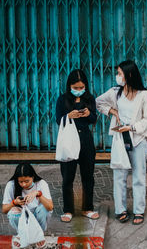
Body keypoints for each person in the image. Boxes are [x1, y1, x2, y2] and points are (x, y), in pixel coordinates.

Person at [96, 60, 147, 225]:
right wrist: (112, 111)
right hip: (120, 140)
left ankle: (139, 211)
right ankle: (120, 210)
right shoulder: (115, 93)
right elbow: (98, 102)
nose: (117, 76)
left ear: (129, 74)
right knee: (119, 176)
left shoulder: (144, 95)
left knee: (138, 176)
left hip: (138, 139)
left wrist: (132, 127)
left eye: (120, 73)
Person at [56, 69, 99, 222]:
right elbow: (58, 119)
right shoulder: (62, 99)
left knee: (88, 176)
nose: (79, 90)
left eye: (81, 87)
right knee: (68, 177)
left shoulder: (89, 99)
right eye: (76, 87)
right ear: (70, 86)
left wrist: (89, 114)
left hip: (86, 140)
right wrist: (68, 116)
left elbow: (94, 119)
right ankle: (68, 210)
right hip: (69, 140)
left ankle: (87, 208)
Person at [2, 163, 53, 248]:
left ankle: (38, 235)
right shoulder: (11, 185)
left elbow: (50, 207)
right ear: (17, 180)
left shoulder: (41, 183)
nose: (24, 184)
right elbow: (4, 210)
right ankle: (22, 233)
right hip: (22, 217)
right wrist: (14, 203)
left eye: (27, 181)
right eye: (20, 182)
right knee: (13, 211)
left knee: (43, 208)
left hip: (37, 215)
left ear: (32, 177)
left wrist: (38, 194)